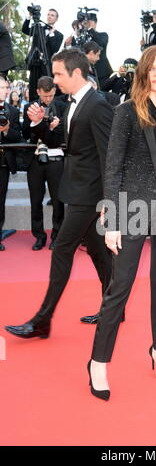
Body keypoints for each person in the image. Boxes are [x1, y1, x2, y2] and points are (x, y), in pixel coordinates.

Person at [87, 45, 156, 401]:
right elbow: (113, 166)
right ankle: (98, 363)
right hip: (132, 205)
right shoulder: (127, 112)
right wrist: (112, 218)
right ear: (144, 73)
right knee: (120, 287)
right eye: (152, 68)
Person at [5, 48, 113, 338]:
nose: (54, 81)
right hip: (76, 187)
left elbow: (109, 157)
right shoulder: (72, 103)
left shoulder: (98, 105)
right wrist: (40, 123)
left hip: (90, 195)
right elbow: (62, 143)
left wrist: (110, 202)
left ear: (77, 73)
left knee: (62, 249)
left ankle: (42, 321)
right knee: (99, 252)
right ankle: (115, 306)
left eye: (58, 75)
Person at [22, 76, 66, 250]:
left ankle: (57, 236)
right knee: (35, 200)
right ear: (38, 92)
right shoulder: (29, 107)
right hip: (35, 160)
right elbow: (25, 133)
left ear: (55, 91)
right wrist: (35, 121)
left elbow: (66, 133)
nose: (48, 99)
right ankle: (39, 236)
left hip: (56, 159)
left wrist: (57, 126)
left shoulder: (63, 107)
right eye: (45, 95)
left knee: (58, 200)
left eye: (51, 95)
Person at [22, 8, 63, 100]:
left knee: (45, 86)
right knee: (33, 86)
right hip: (34, 62)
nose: (49, 16)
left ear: (56, 19)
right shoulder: (38, 27)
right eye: (48, 14)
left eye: (52, 15)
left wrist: (51, 34)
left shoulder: (59, 35)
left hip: (46, 65)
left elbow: (54, 50)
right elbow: (25, 30)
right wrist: (29, 17)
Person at [0, 76, 21, 251]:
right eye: (3, 87)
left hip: (4, 163)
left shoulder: (12, 111)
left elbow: (18, 137)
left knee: (0, 200)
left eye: (7, 87)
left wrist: (6, 131)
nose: (7, 91)